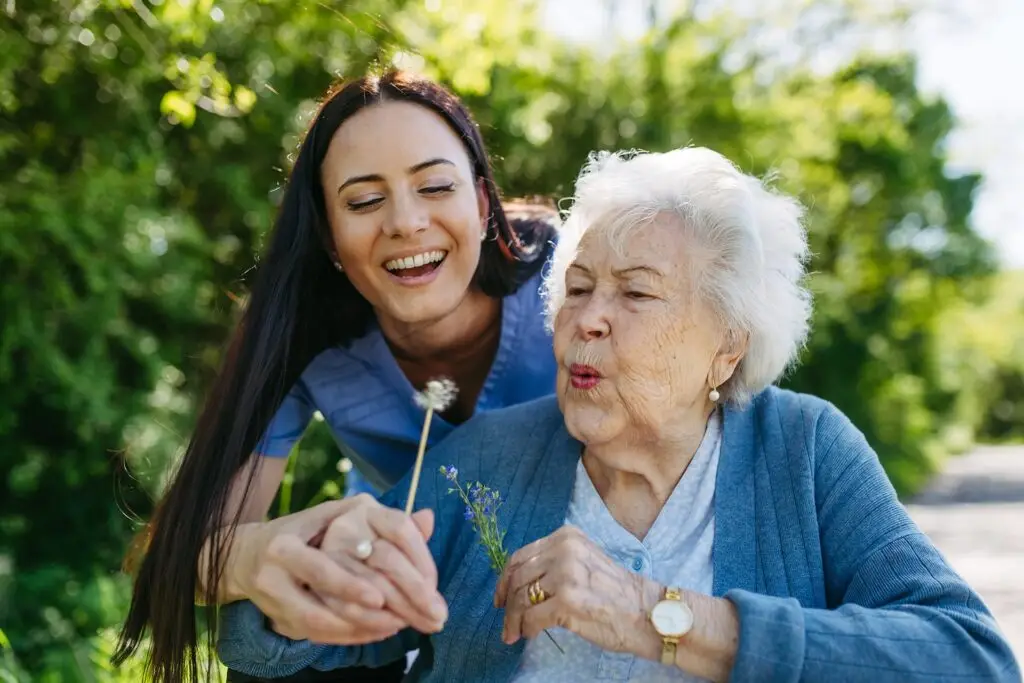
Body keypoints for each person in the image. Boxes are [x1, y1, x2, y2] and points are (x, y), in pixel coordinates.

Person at [217, 147, 1021, 682]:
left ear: (728, 347)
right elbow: (266, 642)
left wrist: (660, 618)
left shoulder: (803, 450)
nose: (587, 318)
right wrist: (305, 575)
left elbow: (971, 658)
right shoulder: (487, 457)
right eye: (577, 287)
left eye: (635, 292)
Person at [113, 70, 561, 683]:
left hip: (582, 587)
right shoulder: (301, 334)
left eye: (434, 185)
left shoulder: (576, 280)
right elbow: (164, 554)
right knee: (265, 624)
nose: (405, 222)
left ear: (482, 204)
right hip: (408, 600)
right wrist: (256, 555)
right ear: (327, 236)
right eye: (363, 201)